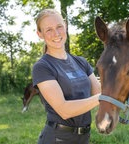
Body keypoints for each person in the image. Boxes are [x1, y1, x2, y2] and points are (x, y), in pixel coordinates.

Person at [32, 9, 101, 144]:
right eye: (49, 30)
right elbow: (64, 110)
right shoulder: (43, 67)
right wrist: (103, 96)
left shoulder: (81, 62)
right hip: (58, 138)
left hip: (83, 137)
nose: (56, 33)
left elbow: (97, 92)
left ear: (66, 26)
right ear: (40, 34)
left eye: (59, 27)